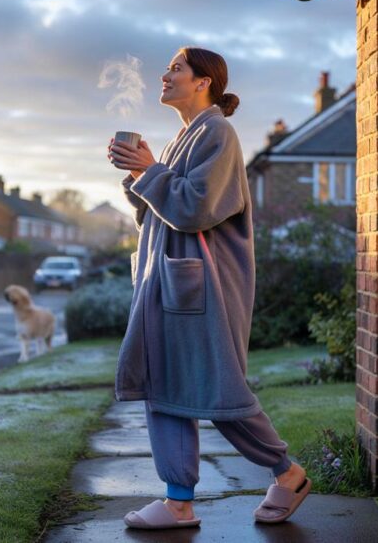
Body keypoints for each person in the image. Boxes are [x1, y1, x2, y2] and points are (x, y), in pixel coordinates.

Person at [107, 46, 310, 530]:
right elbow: (158, 213)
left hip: (204, 289)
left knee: (216, 388)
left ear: (204, 81)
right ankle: (178, 501)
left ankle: (288, 472)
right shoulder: (182, 138)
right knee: (165, 385)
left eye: (176, 67)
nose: (165, 74)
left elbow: (196, 208)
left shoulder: (217, 133)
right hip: (169, 283)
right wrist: (139, 175)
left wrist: (149, 172)